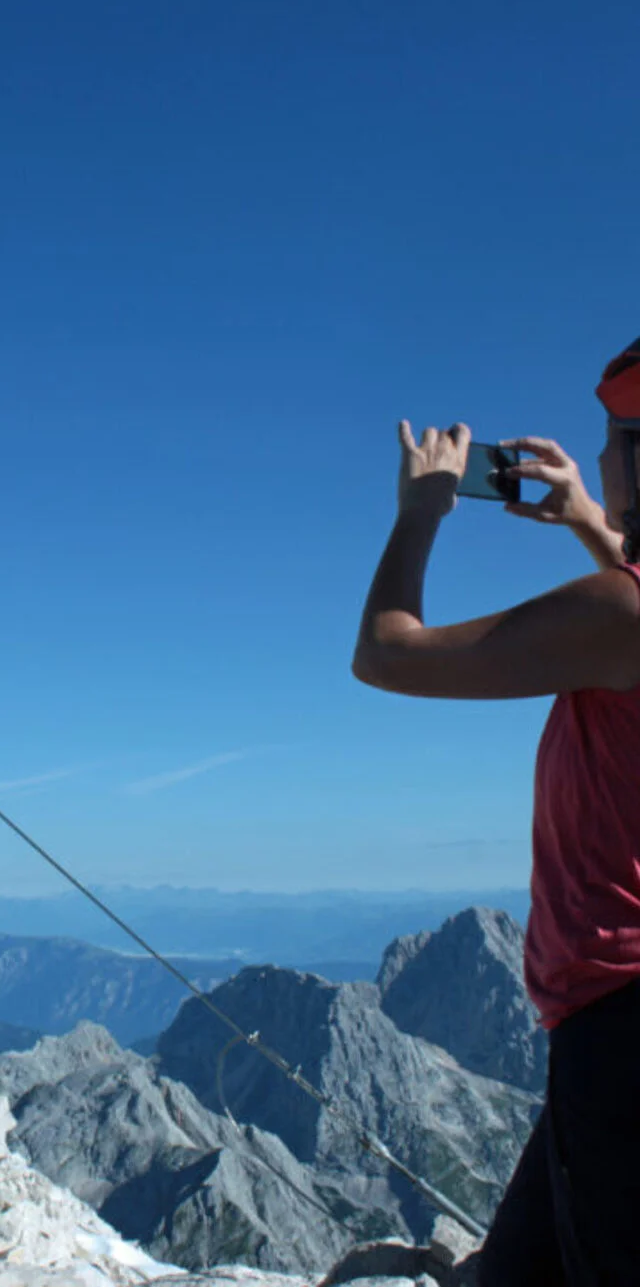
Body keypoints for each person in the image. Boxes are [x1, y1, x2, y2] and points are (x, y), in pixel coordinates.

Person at [352, 342, 640, 1286]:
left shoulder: (617, 621)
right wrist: (592, 521)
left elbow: (389, 653)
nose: (594, 459)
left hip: (619, 1033)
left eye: (610, 441)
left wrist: (420, 513)